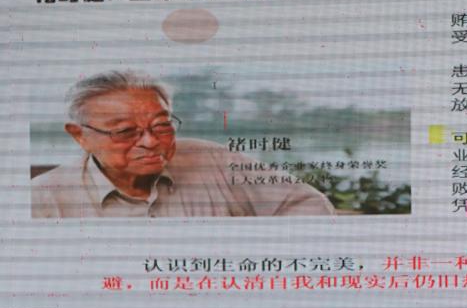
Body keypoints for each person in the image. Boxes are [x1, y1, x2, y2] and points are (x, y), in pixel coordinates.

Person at [31, 70, 334, 218]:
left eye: (162, 126)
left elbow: (308, 205)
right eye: (124, 131)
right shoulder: (43, 198)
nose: (151, 142)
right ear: (79, 136)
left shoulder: (213, 159)